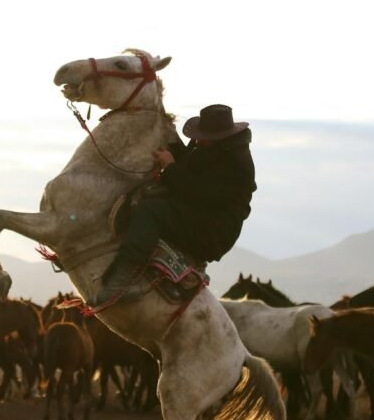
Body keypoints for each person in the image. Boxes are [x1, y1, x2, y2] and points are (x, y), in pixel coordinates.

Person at [90, 104, 256, 306]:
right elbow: (191, 164)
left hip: (213, 229)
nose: (197, 140)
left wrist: (170, 167)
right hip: (202, 214)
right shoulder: (211, 147)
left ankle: (124, 282)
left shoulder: (237, 164)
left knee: (151, 211)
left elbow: (201, 193)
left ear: (218, 138)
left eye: (203, 136)